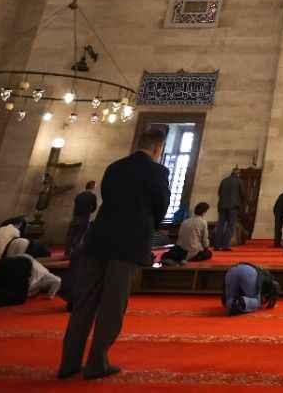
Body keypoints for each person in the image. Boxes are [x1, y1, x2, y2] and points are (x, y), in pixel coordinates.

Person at [58, 128, 170, 381]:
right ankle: (96, 363)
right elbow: (160, 206)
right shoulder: (157, 172)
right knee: (112, 306)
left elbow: (107, 199)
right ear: (157, 148)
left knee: (84, 303)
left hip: (98, 241)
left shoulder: (114, 167)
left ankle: (68, 363)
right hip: (128, 245)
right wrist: (148, 225)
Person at [216, 167, 243, 251]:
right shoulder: (239, 181)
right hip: (233, 206)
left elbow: (219, 192)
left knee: (220, 225)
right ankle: (225, 246)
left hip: (222, 206)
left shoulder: (224, 180)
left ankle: (217, 245)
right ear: (238, 173)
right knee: (230, 226)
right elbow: (242, 193)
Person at [67, 182, 98, 255]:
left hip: (75, 217)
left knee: (71, 235)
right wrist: (89, 212)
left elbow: (75, 206)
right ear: (92, 187)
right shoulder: (92, 196)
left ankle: (67, 252)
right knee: (80, 236)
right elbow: (94, 207)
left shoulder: (79, 195)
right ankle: (75, 253)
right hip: (85, 217)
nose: (95, 188)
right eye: (95, 186)